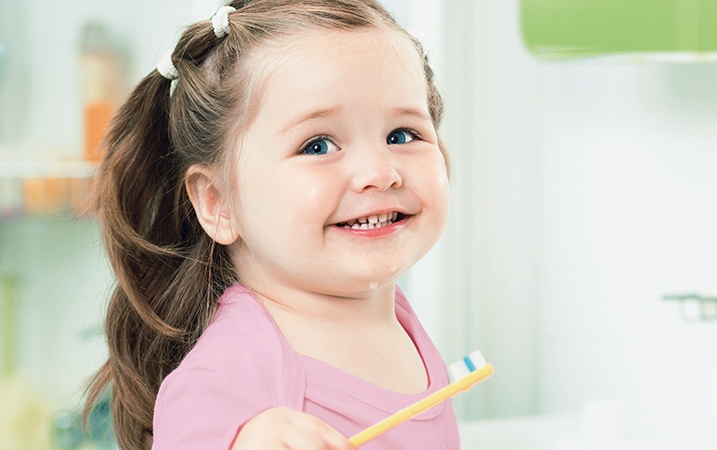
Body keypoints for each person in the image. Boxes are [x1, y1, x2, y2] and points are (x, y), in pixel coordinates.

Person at [84, 1, 456, 449]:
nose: (380, 172)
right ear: (217, 202)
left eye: (402, 135)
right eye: (318, 145)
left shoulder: (394, 316)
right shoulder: (234, 364)